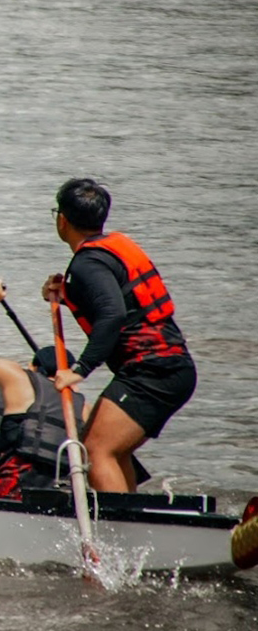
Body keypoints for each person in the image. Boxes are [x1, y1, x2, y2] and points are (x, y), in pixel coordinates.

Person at [43, 177, 195, 493]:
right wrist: (68, 292)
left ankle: (121, 534)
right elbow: (117, 298)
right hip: (168, 366)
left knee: (96, 452)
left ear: (62, 220)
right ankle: (132, 521)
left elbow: (113, 315)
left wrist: (78, 371)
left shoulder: (87, 264)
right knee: (111, 450)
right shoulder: (106, 251)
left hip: (152, 372)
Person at [0, 284, 87, 500]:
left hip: (16, 491)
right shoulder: (82, 406)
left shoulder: (22, 381)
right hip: (64, 492)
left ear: (33, 368)